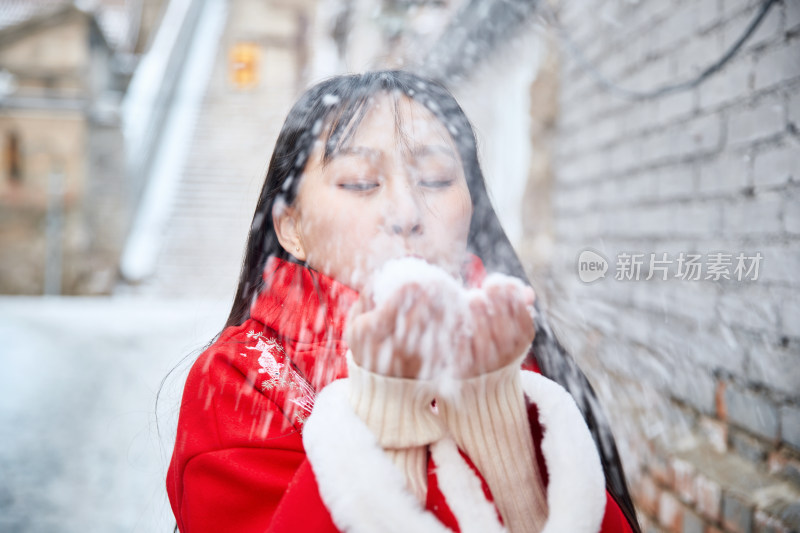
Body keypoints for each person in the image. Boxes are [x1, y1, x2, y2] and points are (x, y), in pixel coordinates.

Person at [166, 70, 641, 533]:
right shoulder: (239, 380)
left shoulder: (509, 350)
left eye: (435, 180)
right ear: (291, 227)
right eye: (359, 183)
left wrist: (498, 425)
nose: (407, 213)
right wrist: (386, 414)